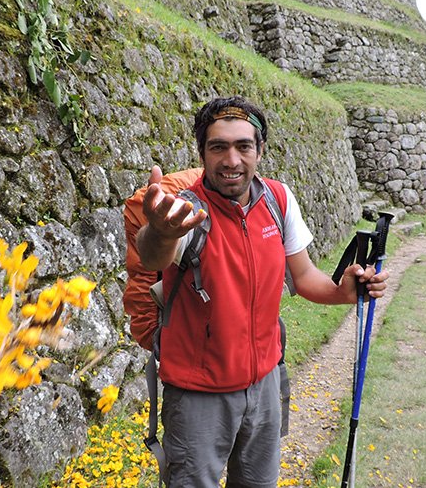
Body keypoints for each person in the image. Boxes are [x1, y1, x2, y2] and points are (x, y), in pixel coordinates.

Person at [136, 96, 389, 487]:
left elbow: (303, 277)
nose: (231, 160)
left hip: (266, 382)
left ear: (260, 150)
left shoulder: (278, 200)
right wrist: (161, 230)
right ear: (202, 152)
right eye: (218, 146)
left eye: (243, 146)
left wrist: (343, 291)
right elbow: (155, 255)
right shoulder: (186, 211)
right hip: (199, 394)